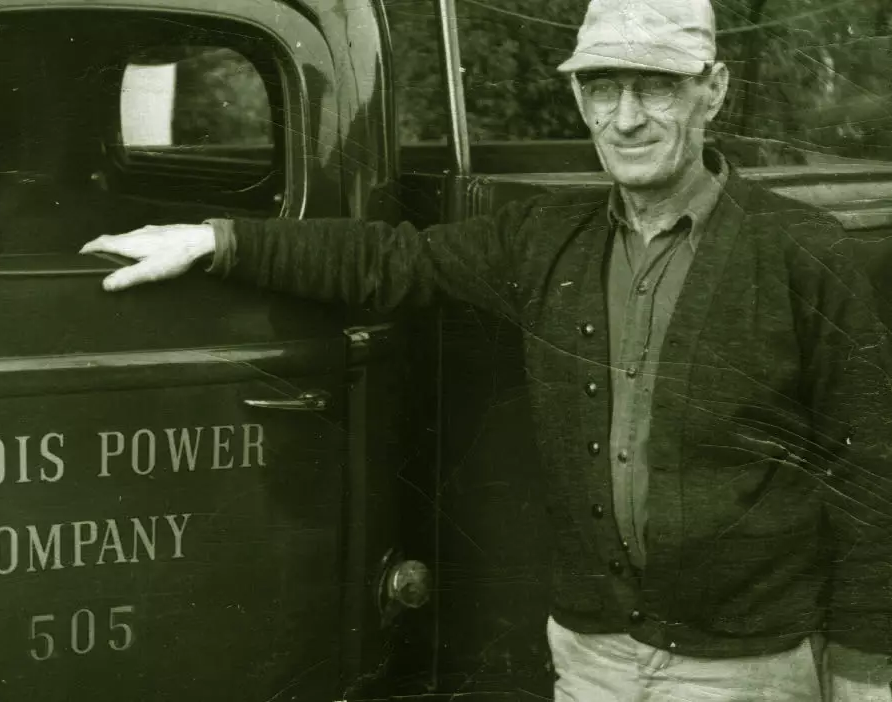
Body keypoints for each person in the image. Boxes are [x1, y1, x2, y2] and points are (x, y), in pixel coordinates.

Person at [80, 0, 892, 699]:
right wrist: (216, 239)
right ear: (577, 97)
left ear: (711, 90)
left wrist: (861, 668)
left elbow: (869, 470)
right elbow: (390, 259)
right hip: (593, 652)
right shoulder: (545, 239)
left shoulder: (801, 251)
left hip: (749, 665)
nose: (625, 117)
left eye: (655, 86)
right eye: (600, 87)